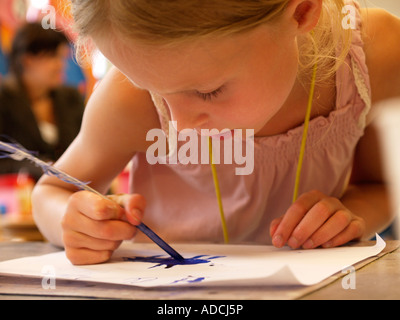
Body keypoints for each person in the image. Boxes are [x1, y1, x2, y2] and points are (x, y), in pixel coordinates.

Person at [32, 0, 400, 265]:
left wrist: (352, 215)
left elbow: (380, 187)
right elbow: (52, 191)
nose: (180, 125)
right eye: (155, 91)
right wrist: (76, 222)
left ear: (302, 11)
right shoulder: (128, 99)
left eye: (207, 91)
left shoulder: (371, 58)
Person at [0, 22, 85, 180]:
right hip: (21, 198)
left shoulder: (71, 98)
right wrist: (40, 168)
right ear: (27, 59)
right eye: (53, 57)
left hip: (73, 192)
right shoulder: (4, 101)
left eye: (62, 57)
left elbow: (87, 148)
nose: (61, 65)